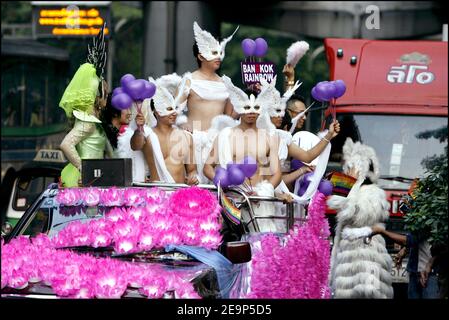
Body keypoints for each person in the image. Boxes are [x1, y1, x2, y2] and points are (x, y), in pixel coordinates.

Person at [203, 78, 283, 232]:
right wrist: (223, 184)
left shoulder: (269, 137)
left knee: (262, 246)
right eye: (247, 107)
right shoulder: (225, 135)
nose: (251, 112)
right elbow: (207, 167)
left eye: (255, 108)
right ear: (239, 107)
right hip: (231, 199)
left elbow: (277, 173)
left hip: (259, 202)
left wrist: (262, 192)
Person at [327, 138, 393, 299]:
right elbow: (336, 204)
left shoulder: (374, 192)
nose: (347, 171)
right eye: (347, 168)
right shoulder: (351, 188)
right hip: (347, 259)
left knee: (368, 293)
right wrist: (347, 184)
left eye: (351, 167)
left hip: (367, 258)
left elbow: (353, 213)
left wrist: (350, 184)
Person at [174, 22, 239, 183]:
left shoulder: (226, 83)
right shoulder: (189, 80)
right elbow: (173, 110)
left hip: (217, 143)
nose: (218, 56)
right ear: (201, 56)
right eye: (213, 52)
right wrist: (182, 124)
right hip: (193, 141)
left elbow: (230, 116)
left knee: (218, 188)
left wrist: (251, 94)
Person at [59, 24, 111, 187]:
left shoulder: (93, 119)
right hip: (82, 181)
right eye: (105, 94)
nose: (107, 98)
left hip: (92, 179)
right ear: (97, 96)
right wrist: (84, 169)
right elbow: (66, 144)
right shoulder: (88, 121)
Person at [131, 78, 199, 185]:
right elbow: (135, 146)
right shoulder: (147, 135)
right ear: (156, 111)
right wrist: (139, 128)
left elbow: (192, 171)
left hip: (179, 194)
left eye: (175, 108)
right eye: (168, 109)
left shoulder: (187, 137)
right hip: (156, 195)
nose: (174, 113)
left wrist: (193, 179)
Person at [370, 226, 441, 299]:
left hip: (430, 274)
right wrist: (405, 249)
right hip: (414, 271)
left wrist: (382, 231)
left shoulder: (430, 221)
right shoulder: (420, 221)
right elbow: (416, 240)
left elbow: (410, 240)